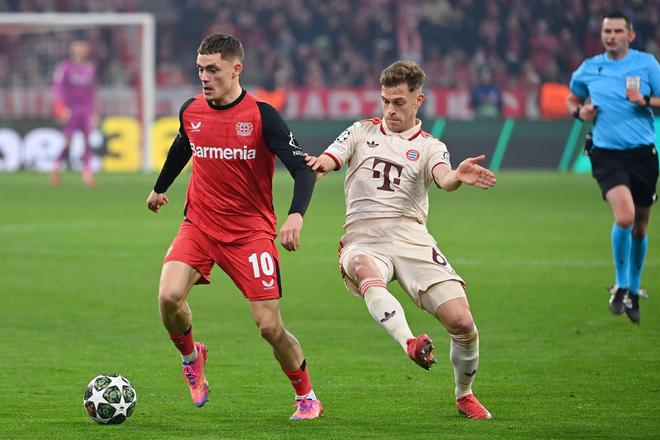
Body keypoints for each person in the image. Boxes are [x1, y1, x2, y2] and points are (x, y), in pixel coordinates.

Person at [305, 60, 496, 419]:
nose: (390, 110)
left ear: (418, 100)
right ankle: (409, 341)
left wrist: (458, 175)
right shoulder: (361, 130)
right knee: (362, 268)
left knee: (462, 322)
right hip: (363, 237)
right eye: (385, 101)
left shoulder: (430, 146)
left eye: (399, 102)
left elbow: (444, 178)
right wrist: (316, 166)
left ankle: (464, 395)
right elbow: (329, 160)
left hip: (411, 238)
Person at [146, 33, 323, 420]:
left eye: (213, 70)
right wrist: (160, 188)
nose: (204, 77)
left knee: (269, 326)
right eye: (200, 70)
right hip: (200, 226)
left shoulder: (262, 116)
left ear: (236, 69)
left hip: (249, 234)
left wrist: (296, 215)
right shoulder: (191, 110)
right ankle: (192, 358)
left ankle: (307, 395)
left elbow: (302, 169)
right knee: (168, 297)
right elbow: (183, 145)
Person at [567, 10, 660, 324]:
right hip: (607, 154)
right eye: (607, 31)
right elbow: (572, 100)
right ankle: (621, 284)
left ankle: (633, 288)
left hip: (643, 154)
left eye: (618, 31)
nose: (611, 36)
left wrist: (645, 101)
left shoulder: (647, 64)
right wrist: (580, 112)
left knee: (641, 227)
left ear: (630, 35)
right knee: (625, 217)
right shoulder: (590, 68)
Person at [50, 39, 98, 187]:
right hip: (70, 109)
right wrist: (59, 108)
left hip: (86, 110)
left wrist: (94, 112)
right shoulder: (64, 68)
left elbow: (92, 92)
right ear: (72, 51)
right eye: (77, 49)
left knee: (87, 140)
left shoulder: (90, 69)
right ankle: (56, 166)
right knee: (68, 141)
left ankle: (87, 173)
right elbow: (57, 88)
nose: (79, 51)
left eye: (82, 49)